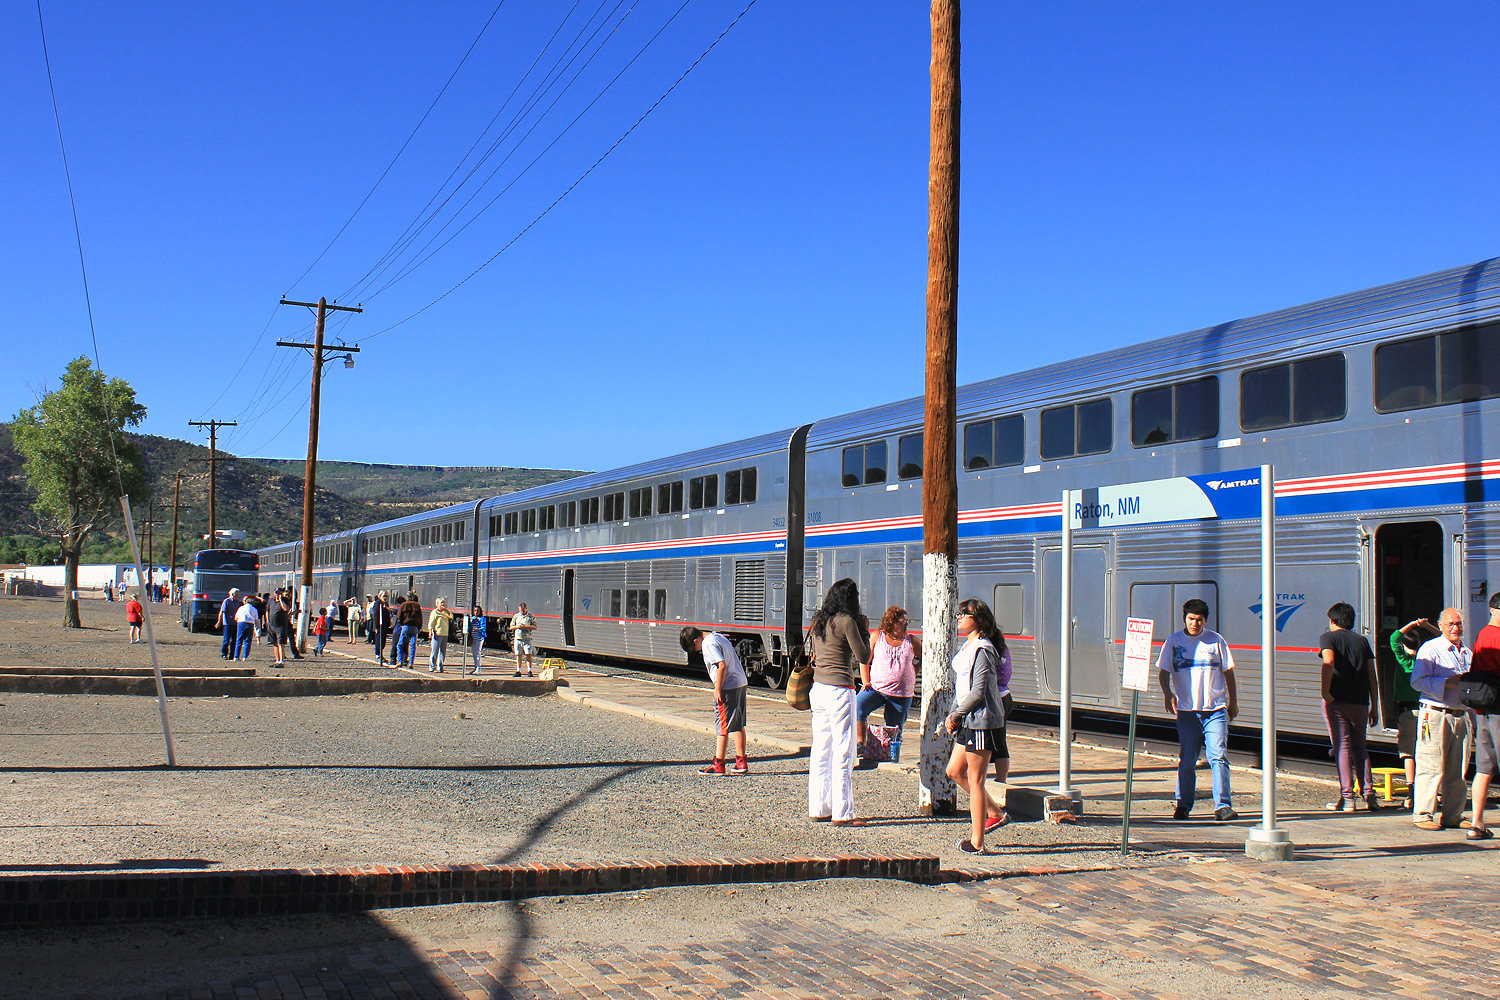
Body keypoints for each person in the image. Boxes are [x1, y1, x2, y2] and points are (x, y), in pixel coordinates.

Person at [1157, 598, 1239, 822]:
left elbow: (1228, 671)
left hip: (1215, 709)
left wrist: (1233, 701)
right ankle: (1183, 805)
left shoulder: (1216, 641)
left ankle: (1223, 806)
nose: (1195, 624)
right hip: (1187, 711)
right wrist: (1167, 693)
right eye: (1191, 619)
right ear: (1185, 618)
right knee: (1187, 760)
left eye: (1199, 620)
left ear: (1206, 621)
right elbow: (1163, 671)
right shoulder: (1173, 642)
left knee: (1218, 756)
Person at [945, 598, 1008, 854]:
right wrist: (954, 714)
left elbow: (979, 691)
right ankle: (995, 812)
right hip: (967, 718)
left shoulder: (983, 649)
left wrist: (957, 715)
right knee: (954, 771)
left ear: (978, 618)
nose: (959, 617)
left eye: (964, 614)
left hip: (981, 721)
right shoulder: (967, 646)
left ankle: (977, 842)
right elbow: (962, 688)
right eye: (958, 614)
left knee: (976, 780)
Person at [806, 578, 871, 826]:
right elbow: (864, 655)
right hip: (839, 690)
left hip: (818, 688)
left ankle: (819, 808)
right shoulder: (848, 622)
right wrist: (864, 630)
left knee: (821, 749)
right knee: (844, 751)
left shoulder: (819, 621)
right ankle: (842, 813)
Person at [1411, 608, 1475, 831]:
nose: (1455, 628)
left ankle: (1453, 814)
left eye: (1458, 624)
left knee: (1458, 769)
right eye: (1450, 624)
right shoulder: (1431, 649)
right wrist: (1447, 682)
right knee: (1431, 764)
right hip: (1436, 713)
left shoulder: (1466, 652)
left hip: (1461, 714)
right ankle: (1423, 813)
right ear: (1440, 626)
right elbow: (1417, 681)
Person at [1319, 602, 1380, 811]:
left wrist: (1325, 692)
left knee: (1342, 747)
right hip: (1361, 701)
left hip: (1337, 701)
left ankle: (1348, 798)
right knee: (1360, 747)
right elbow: (1372, 676)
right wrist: (1375, 705)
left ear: (1333, 621)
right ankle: (1369, 795)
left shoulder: (1328, 637)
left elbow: (1328, 662)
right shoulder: (1362, 641)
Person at [680, 626, 751, 775]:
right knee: (738, 724)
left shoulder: (708, 643)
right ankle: (741, 761)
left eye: (695, 648)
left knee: (723, 725)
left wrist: (718, 689)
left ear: (696, 641)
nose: (698, 650)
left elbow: (722, 665)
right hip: (740, 682)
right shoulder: (718, 636)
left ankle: (719, 764)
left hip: (727, 686)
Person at [856, 606, 921, 763]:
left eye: (907, 621)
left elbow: (925, 658)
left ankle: (891, 757)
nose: (905, 624)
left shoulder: (912, 641)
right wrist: (865, 681)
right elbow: (865, 659)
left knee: (895, 728)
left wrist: (913, 672)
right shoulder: (877, 637)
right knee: (858, 707)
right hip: (877, 689)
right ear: (891, 622)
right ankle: (860, 742)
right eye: (902, 621)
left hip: (901, 694)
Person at [1389, 618, 1437, 803]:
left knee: (1409, 753)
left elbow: (1394, 637)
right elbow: (1443, 638)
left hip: (1408, 711)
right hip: (1427, 709)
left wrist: (1412, 624)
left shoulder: (1404, 660)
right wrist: (1427, 627)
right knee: (1427, 752)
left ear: (1404, 644)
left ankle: (1412, 793)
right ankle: (1431, 792)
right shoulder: (1426, 660)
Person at [1467, 593, 1500, 840]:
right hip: (1499, 709)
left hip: (1483, 709)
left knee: (1484, 769)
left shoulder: (1482, 635)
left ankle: (1476, 824)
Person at [427, 597, 454, 672]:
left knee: (443, 652)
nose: (443, 604)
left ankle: (440, 667)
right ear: (437, 604)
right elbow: (431, 623)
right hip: (437, 633)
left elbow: (451, 617)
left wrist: (447, 610)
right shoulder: (434, 612)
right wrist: (430, 631)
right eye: (441, 603)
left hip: (445, 634)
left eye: (444, 603)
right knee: (435, 651)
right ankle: (432, 667)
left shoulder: (445, 612)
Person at [396, 592, 423, 667]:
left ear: (406, 597)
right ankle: (411, 663)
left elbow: (399, 616)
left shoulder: (403, 605)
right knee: (412, 645)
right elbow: (420, 617)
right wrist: (419, 627)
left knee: (400, 644)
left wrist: (401, 624)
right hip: (414, 627)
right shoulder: (417, 605)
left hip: (406, 626)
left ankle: (400, 661)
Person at [511, 603, 538, 677]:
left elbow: (535, 627)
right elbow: (511, 627)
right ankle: (518, 670)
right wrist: (517, 626)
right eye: (520, 610)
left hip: (527, 638)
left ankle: (529, 670)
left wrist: (527, 626)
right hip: (518, 638)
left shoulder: (530, 617)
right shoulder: (516, 616)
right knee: (518, 655)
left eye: (523, 610)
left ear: (526, 609)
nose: (522, 612)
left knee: (528, 654)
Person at [233, 594, 260, 662]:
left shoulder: (241, 608)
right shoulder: (254, 609)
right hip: (250, 623)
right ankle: (245, 657)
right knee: (247, 641)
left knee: (239, 640)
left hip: (241, 623)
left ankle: (236, 656)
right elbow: (256, 619)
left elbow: (236, 617)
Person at [216, 588, 240, 659]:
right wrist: (219, 621)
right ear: (232, 594)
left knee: (234, 640)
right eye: (237, 593)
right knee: (226, 640)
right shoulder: (226, 601)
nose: (238, 595)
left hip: (235, 624)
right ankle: (224, 654)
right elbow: (222, 612)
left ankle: (232, 655)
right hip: (228, 624)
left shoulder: (238, 602)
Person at [267, 597, 291, 666]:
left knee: (281, 643)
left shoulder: (285, 600)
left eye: (279, 593)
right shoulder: (271, 601)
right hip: (272, 625)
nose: (277, 594)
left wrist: (280, 600)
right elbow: (267, 611)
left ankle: (282, 660)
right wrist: (267, 622)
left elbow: (286, 609)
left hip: (281, 626)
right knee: (274, 643)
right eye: (276, 593)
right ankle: (277, 660)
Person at [371, 591, 392, 665]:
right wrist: (376, 626)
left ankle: (381, 654)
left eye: (386, 596)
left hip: (385, 625)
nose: (385, 597)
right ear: (380, 596)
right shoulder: (378, 603)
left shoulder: (385, 604)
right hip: (380, 625)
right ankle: (378, 655)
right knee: (379, 640)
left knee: (383, 641)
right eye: (384, 596)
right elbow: (376, 615)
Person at [466, 604, 488, 675]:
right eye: (474, 611)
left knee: (477, 652)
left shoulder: (482, 619)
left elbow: (483, 628)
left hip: (479, 638)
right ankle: (475, 667)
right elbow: (470, 627)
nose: (476, 612)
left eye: (477, 611)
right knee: (474, 653)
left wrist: (478, 629)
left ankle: (478, 668)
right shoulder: (473, 618)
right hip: (474, 638)